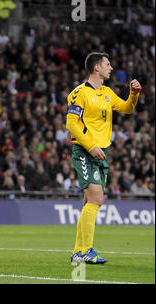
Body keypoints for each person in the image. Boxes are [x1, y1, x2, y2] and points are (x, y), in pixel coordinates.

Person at [66, 52, 141, 264]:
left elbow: (127, 108)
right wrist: (90, 146)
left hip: (102, 153)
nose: (111, 68)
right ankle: (86, 251)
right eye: (107, 64)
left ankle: (77, 252)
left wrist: (134, 94)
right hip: (85, 151)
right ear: (96, 68)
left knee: (89, 202)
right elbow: (71, 124)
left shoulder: (107, 93)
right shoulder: (79, 93)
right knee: (97, 199)